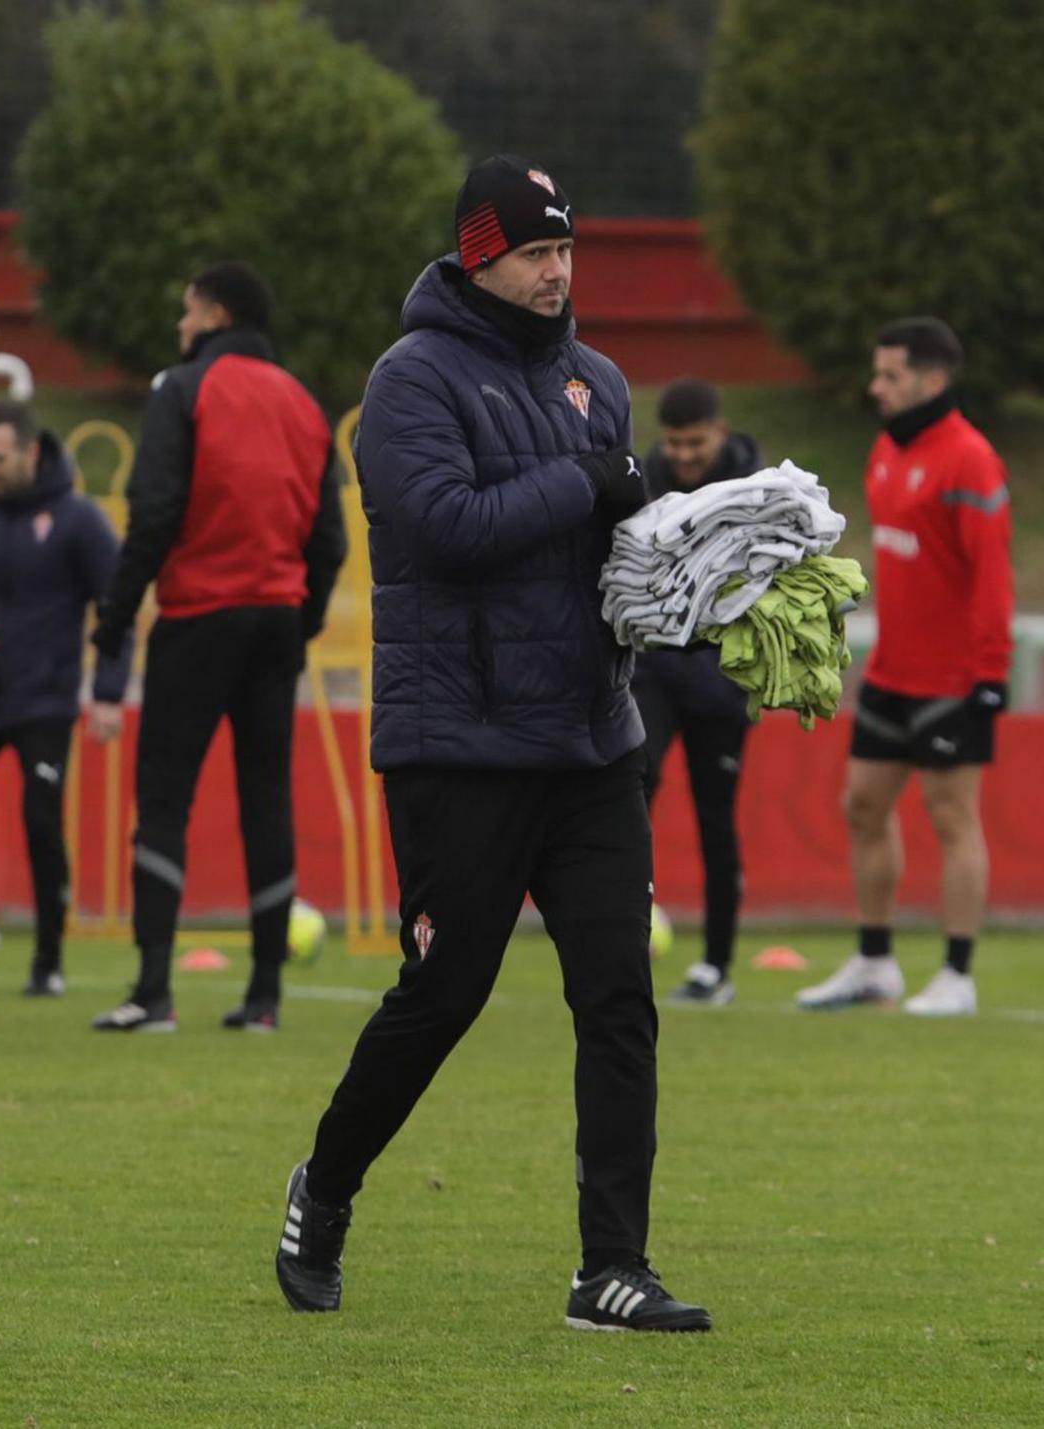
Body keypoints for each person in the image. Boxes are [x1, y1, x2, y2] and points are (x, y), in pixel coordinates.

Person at [274, 155, 711, 1333]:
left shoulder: (599, 379)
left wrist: (696, 569)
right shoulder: (410, 379)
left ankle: (611, 1267)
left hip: (589, 740)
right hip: (459, 741)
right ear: (479, 256)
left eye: (567, 251)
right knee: (445, 993)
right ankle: (327, 1184)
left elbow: (613, 545)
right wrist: (589, 483)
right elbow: (447, 529)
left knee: (620, 996)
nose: (557, 273)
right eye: (534, 253)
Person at [90, 261, 346, 1033]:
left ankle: (153, 992)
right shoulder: (305, 402)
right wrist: (297, 625)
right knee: (266, 796)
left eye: (186, 310)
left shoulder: (181, 388)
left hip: (199, 614)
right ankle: (265, 996)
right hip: (275, 618)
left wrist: (116, 614)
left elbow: (156, 507)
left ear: (215, 314)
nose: (179, 325)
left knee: (166, 796)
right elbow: (329, 540)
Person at [798, 317, 1013, 1017]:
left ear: (933, 380)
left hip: (955, 678)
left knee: (953, 816)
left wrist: (990, 671)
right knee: (861, 804)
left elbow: (992, 574)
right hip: (892, 671)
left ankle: (957, 974)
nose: (876, 387)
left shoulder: (971, 459)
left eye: (890, 375)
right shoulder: (887, 451)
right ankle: (876, 962)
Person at [0, 400, 132, 996]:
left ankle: (48, 962)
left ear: (31, 453)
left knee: (40, 822)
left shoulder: (79, 521)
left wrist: (109, 692)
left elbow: (116, 611)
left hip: (45, 701)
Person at [634, 378, 762, 1006]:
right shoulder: (645, 480)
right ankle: (620, 940)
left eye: (695, 443)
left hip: (722, 675)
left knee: (716, 818)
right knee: (631, 793)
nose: (683, 455)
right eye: (674, 443)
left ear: (721, 430)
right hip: (653, 667)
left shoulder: (761, 489)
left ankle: (716, 966)